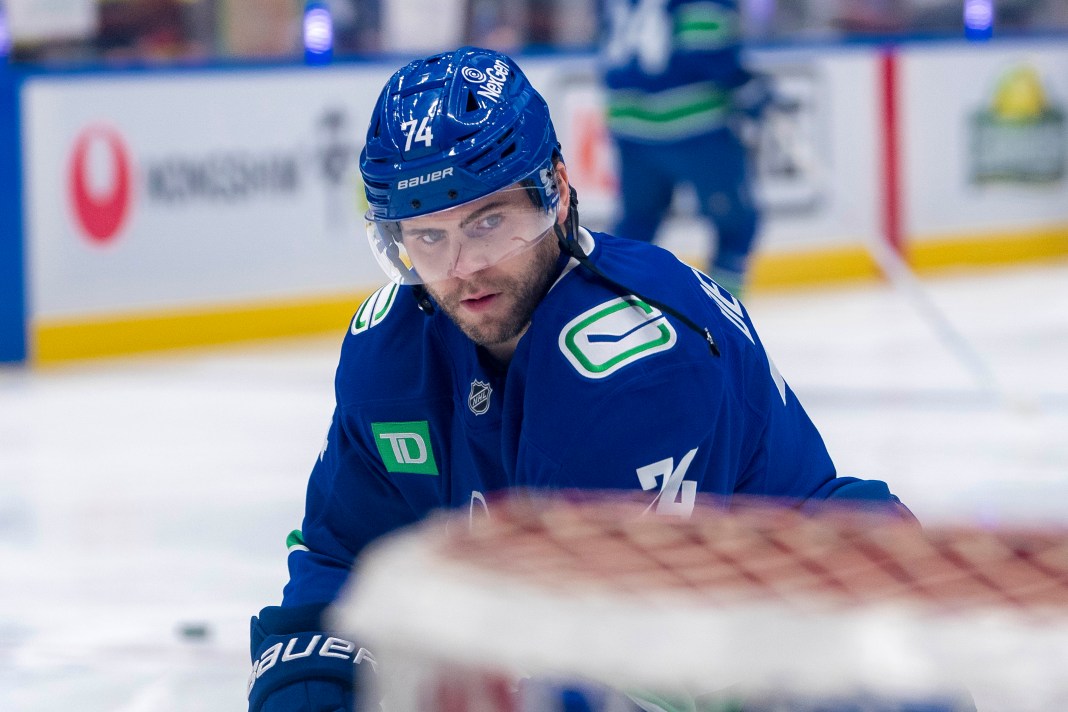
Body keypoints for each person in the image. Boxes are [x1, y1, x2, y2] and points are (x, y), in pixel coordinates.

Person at [246, 46, 915, 712]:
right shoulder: (390, 350)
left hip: (827, 650)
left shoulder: (636, 369)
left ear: (557, 192)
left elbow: (610, 665)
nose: (464, 267)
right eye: (428, 237)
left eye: (489, 221)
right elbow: (340, 559)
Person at [600, 0, 770, 297]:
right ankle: (721, 318)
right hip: (693, 124)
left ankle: (610, 308)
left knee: (636, 228)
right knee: (737, 226)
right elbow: (704, 44)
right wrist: (743, 86)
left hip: (629, 122)